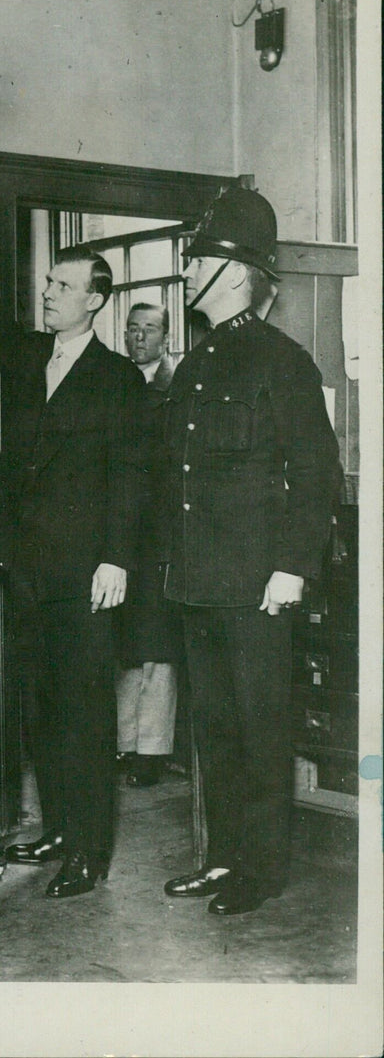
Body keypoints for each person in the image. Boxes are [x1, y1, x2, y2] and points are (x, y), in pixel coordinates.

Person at [0, 188, 146, 899]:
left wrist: (117, 556)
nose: (49, 293)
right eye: (50, 282)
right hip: (26, 568)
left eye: (62, 286)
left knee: (85, 713)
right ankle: (58, 826)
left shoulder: (118, 379)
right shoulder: (30, 357)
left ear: (95, 301)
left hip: (87, 573)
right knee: (42, 706)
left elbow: (130, 475)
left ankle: (89, 850)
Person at [161, 186, 342, 916]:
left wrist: (292, 568)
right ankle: (222, 857)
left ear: (233, 273)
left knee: (261, 731)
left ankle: (260, 871)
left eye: (195, 259)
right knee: (216, 729)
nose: (184, 271)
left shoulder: (282, 363)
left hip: (257, 585)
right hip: (200, 582)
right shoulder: (198, 362)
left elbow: (319, 473)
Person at [114, 303, 182, 787]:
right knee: (123, 645)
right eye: (133, 329)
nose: (141, 337)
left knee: (157, 646)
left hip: (159, 533)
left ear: (166, 334)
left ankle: (152, 752)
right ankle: (122, 744)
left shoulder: (176, 389)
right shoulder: (113, 381)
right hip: (120, 533)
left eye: (150, 329)